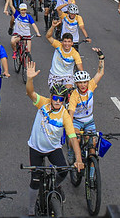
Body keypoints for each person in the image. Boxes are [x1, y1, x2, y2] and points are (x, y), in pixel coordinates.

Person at [24, 61, 84, 215]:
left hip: (53, 149)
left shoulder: (65, 114)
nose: (57, 101)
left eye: (61, 99)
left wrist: (78, 159)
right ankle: (31, 208)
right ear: (51, 97)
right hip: (36, 148)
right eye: (55, 98)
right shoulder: (43, 104)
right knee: (35, 180)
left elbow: (72, 138)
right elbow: (30, 92)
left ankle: (55, 185)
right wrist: (30, 79)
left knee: (63, 170)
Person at [67, 48, 105, 166]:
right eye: (80, 83)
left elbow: (100, 72)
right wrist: (70, 128)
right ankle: (71, 151)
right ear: (76, 84)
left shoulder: (91, 87)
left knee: (92, 148)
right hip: (77, 122)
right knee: (77, 139)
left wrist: (101, 57)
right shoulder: (74, 95)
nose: (83, 85)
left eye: (85, 82)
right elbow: (71, 113)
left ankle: (92, 175)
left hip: (89, 121)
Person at [45, 19, 83, 89]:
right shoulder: (58, 45)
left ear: (72, 43)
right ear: (62, 42)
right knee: (55, 97)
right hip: (54, 75)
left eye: (69, 42)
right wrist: (53, 27)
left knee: (69, 92)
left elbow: (80, 68)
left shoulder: (75, 54)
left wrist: (82, 79)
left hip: (67, 76)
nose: (67, 44)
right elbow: (48, 37)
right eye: (65, 41)